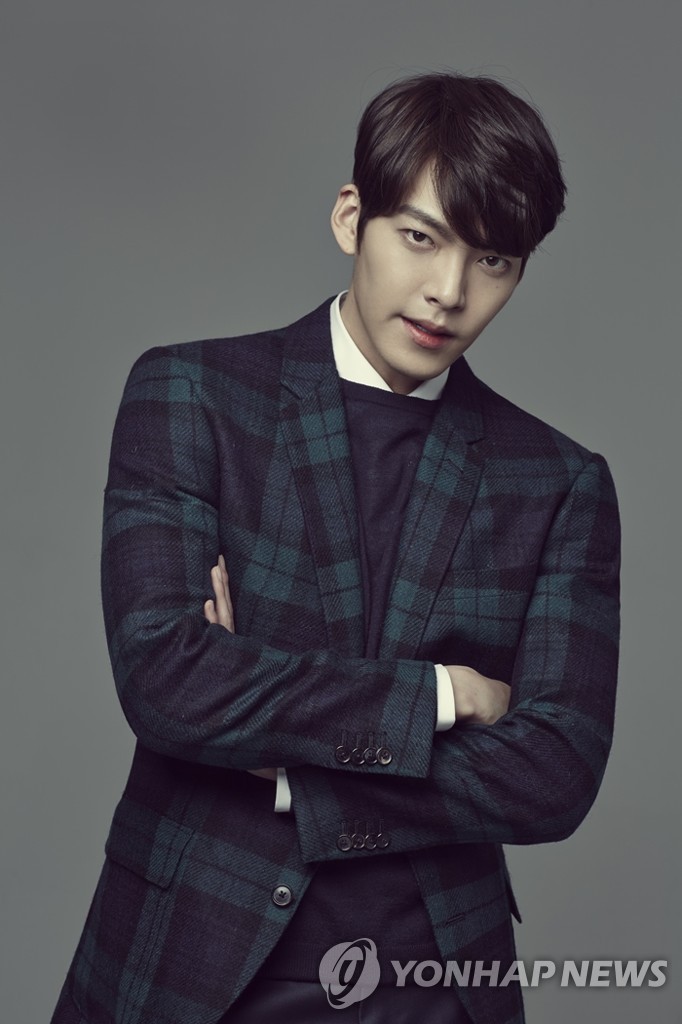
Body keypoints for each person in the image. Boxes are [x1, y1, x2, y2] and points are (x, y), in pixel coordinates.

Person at [50, 72, 620, 1024]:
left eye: (492, 260)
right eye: (421, 238)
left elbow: (555, 774)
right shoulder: (191, 395)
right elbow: (167, 680)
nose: (449, 292)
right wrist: (441, 696)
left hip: (432, 981)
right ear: (352, 217)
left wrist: (290, 773)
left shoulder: (558, 481)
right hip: (191, 957)